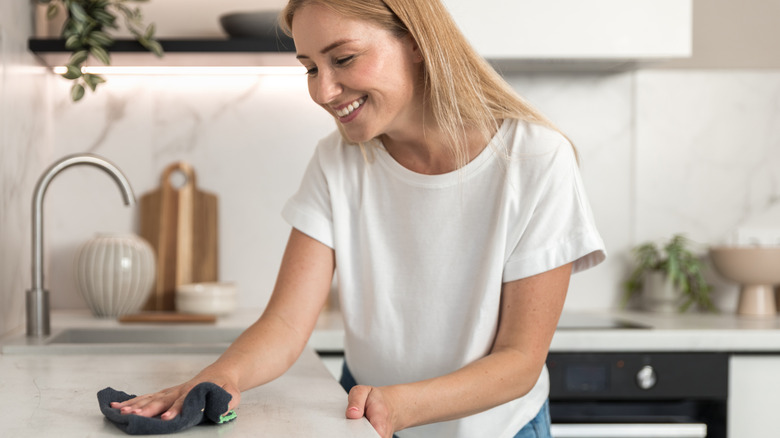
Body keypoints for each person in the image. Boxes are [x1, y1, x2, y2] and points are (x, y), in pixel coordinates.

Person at [110, 1, 606, 437]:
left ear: (415, 42)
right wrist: (221, 376)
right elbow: (285, 322)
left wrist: (400, 405)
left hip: (494, 428)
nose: (324, 91)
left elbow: (519, 362)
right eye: (309, 67)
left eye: (343, 58)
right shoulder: (339, 161)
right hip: (367, 413)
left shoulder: (536, 159)